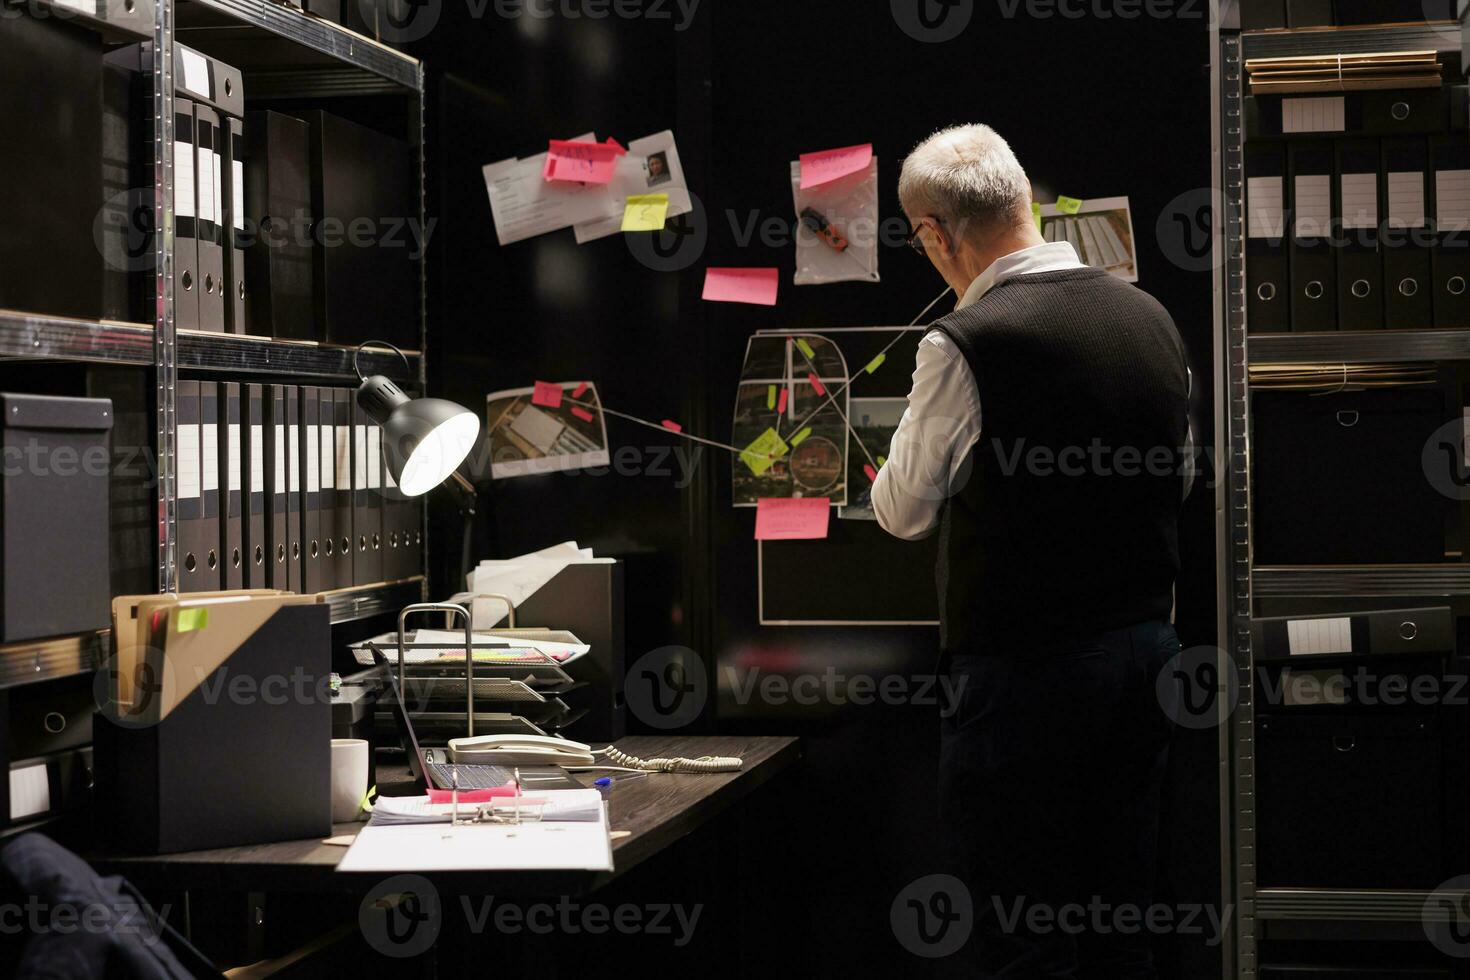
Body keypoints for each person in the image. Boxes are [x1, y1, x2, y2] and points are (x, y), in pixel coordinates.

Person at [872, 123, 1193, 977]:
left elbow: (902, 511)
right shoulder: (1151, 317)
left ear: (937, 234)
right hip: (1144, 661)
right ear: (1023, 202)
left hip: (1025, 684)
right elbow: (1179, 481)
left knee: (1026, 934)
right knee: (1124, 918)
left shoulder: (964, 342)